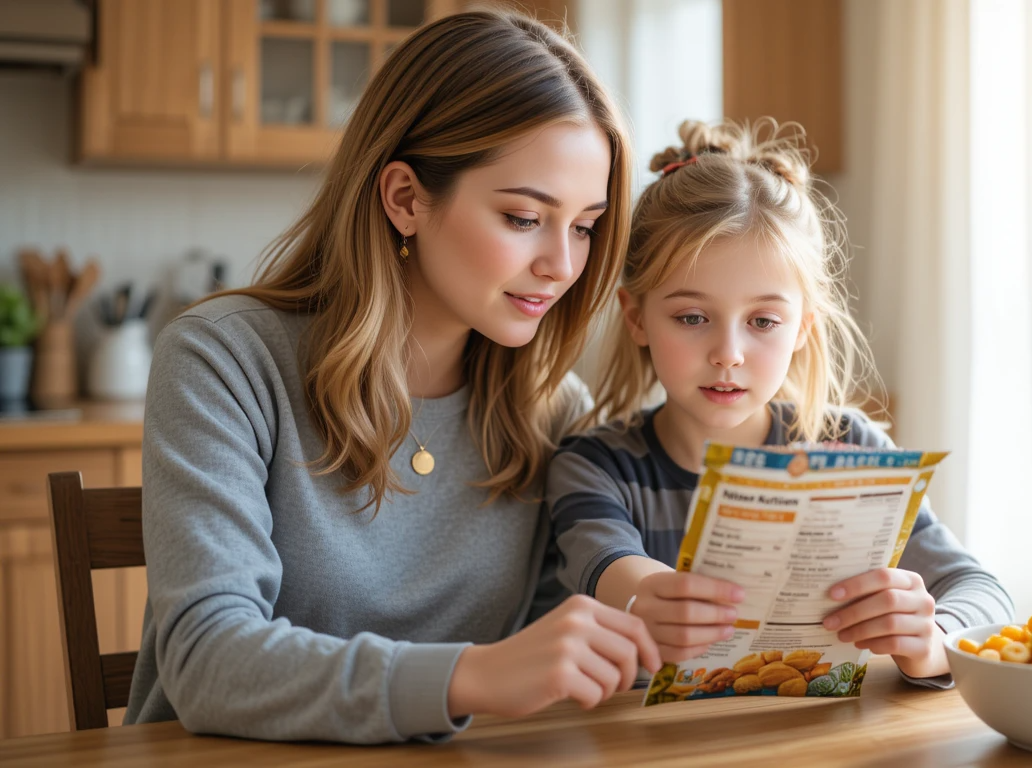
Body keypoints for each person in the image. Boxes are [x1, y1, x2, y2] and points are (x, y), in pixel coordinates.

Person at [124, 10, 659, 744]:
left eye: (584, 225)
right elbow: (207, 659)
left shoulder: (554, 413)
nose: (563, 266)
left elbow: (565, 660)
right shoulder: (225, 362)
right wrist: (472, 675)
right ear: (405, 198)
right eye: (523, 217)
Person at [546, 120, 1013, 686]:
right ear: (637, 316)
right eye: (692, 317)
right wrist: (650, 595)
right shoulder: (594, 467)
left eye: (763, 321)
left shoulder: (853, 452)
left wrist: (933, 638)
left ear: (802, 328)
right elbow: (612, 569)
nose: (728, 353)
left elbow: (983, 594)